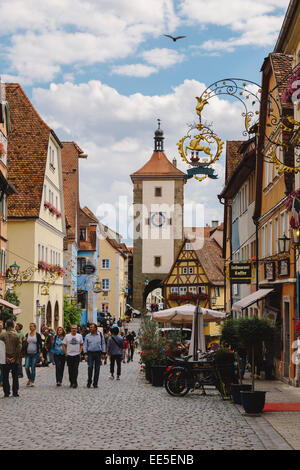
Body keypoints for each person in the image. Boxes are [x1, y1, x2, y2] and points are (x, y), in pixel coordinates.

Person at [0, 319, 22, 397]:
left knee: (5, 376)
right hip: (15, 359)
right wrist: (14, 357)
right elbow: (19, 348)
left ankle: (6, 392)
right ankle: (15, 392)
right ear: (13, 325)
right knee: (15, 376)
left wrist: (5, 357)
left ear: (6, 326)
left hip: (5, 359)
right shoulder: (17, 335)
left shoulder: (2, 335)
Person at [83, 323, 106, 388]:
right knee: (90, 367)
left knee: (97, 368)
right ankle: (89, 381)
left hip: (98, 353)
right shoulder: (87, 336)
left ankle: (95, 383)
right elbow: (85, 345)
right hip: (90, 353)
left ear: (95, 328)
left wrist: (103, 353)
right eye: (90, 327)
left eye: (92, 327)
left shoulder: (100, 335)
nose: (90, 328)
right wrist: (85, 354)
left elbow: (103, 344)